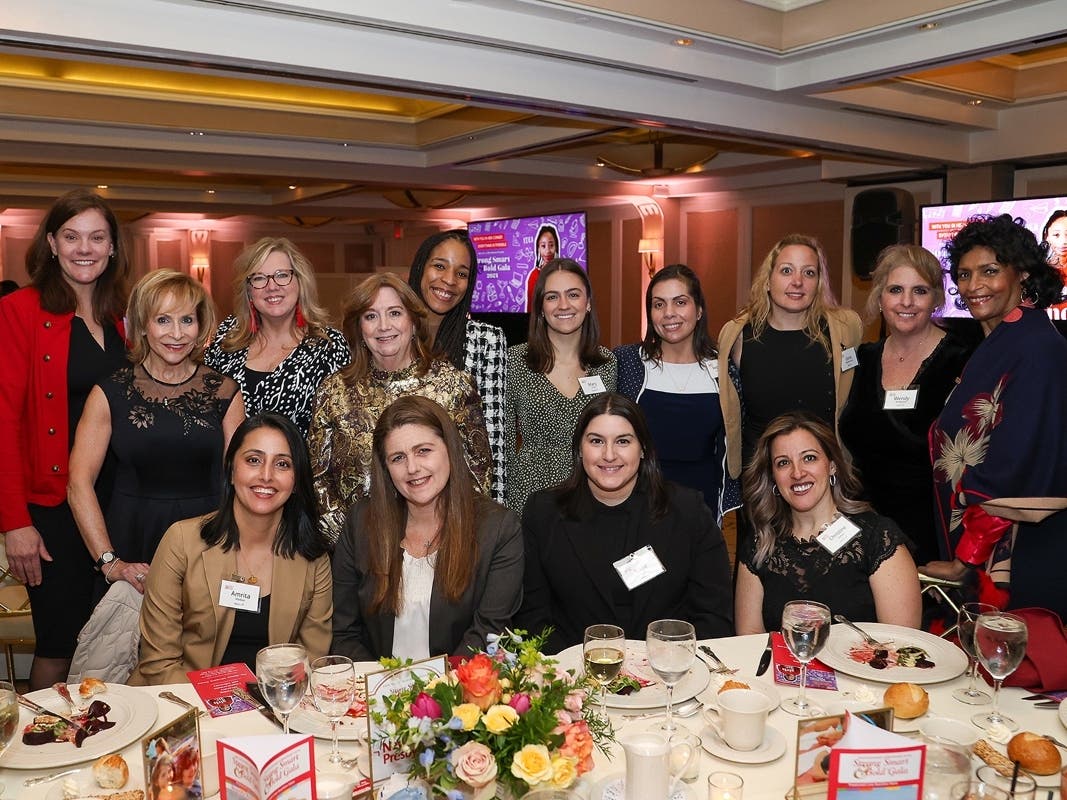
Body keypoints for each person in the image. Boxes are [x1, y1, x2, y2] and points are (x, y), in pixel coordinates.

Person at [0, 189, 129, 689]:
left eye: (97, 237)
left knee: (115, 640)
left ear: (113, 246)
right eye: (71, 236)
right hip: (52, 511)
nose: (85, 248)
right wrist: (14, 522)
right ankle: (40, 757)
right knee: (60, 643)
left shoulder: (123, 314)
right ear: (51, 243)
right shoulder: (19, 310)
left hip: (118, 503)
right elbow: (4, 421)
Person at [924, 214, 1067, 617]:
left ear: (1022, 273)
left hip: (1020, 556)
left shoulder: (1036, 347)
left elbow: (1014, 468)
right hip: (986, 547)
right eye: (964, 274)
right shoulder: (1002, 342)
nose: (973, 286)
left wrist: (964, 559)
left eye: (989, 271)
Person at [69, 269, 245, 594]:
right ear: (142, 326)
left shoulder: (224, 392)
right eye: (163, 320)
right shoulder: (109, 393)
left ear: (200, 324)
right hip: (132, 542)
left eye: (187, 320)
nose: (177, 334)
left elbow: (241, 481)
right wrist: (110, 562)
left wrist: (245, 551)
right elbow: (78, 483)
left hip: (209, 540)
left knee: (209, 643)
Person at [516, 392, 734, 653]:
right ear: (579, 449)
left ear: (643, 449)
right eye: (596, 441)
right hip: (573, 677)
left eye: (623, 441)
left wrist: (670, 668)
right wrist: (569, 678)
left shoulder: (687, 512)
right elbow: (532, 616)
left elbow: (714, 615)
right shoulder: (543, 513)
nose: (609, 455)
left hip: (667, 673)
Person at [129, 413, 332, 685]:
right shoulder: (181, 541)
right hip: (181, 703)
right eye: (253, 460)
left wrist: (260, 713)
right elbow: (159, 663)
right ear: (231, 469)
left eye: (282, 464)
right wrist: (227, 708)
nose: (266, 475)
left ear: (296, 481)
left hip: (273, 710)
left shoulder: (313, 557)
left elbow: (309, 664)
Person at [331, 395, 523, 660]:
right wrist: (378, 689)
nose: (412, 468)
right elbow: (344, 633)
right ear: (386, 469)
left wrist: (433, 695)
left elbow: (488, 634)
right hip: (374, 691)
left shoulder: (498, 528)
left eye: (423, 451)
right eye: (398, 458)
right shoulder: (361, 522)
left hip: (457, 692)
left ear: (449, 450)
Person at [308, 273, 491, 543]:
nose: (383, 326)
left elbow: (478, 476)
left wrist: (434, 544)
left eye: (395, 313)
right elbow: (317, 481)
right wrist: (356, 545)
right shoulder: (333, 391)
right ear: (359, 329)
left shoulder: (454, 386)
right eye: (371, 316)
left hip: (442, 550)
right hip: (357, 555)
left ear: (414, 323)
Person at [839, 246, 973, 565]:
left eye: (920, 291)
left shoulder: (962, 361)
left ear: (938, 298)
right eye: (896, 290)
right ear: (880, 297)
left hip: (931, 536)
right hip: (861, 527)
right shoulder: (861, 359)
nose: (907, 302)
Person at [735, 412, 921, 635]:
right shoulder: (760, 544)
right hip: (784, 670)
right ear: (773, 477)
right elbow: (750, 645)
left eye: (809, 458)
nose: (797, 472)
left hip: (865, 669)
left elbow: (901, 646)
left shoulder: (876, 537)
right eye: (783, 463)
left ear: (832, 465)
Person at [718, 233, 862, 479]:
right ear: (767, 280)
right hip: (759, 476)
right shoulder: (737, 335)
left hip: (824, 474)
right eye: (786, 271)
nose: (797, 282)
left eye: (808, 273)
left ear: (818, 283)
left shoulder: (845, 329)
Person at [615, 264, 740, 523]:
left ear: (699, 311)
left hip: (701, 505)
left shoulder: (723, 372)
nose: (669, 313)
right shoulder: (627, 363)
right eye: (658, 304)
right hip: (637, 503)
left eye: (680, 302)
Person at [204, 237, 350, 438]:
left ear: (300, 282)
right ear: (249, 290)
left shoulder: (330, 346)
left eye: (282, 275)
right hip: (232, 467)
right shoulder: (226, 338)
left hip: (302, 468)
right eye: (259, 278)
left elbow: (344, 428)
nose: (272, 286)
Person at [505, 258, 616, 513]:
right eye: (552, 297)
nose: (563, 305)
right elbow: (507, 441)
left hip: (592, 490)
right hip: (529, 495)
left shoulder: (607, 364)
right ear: (541, 308)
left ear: (587, 303)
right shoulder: (515, 362)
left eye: (573, 295)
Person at [407, 230, 508, 502]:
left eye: (462, 274)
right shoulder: (390, 336)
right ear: (420, 268)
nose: (449, 280)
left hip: (462, 499)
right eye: (439, 266)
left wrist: (490, 516)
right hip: (398, 491)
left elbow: (492, 440)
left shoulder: (486, 341)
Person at [526, 223, 560, 310]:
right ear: (538, 248)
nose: (547, 251)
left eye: (551, 245)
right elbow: (531, 308)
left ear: (556, 247)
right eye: (543, 246)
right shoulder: (534, 275)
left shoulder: (563, 272)